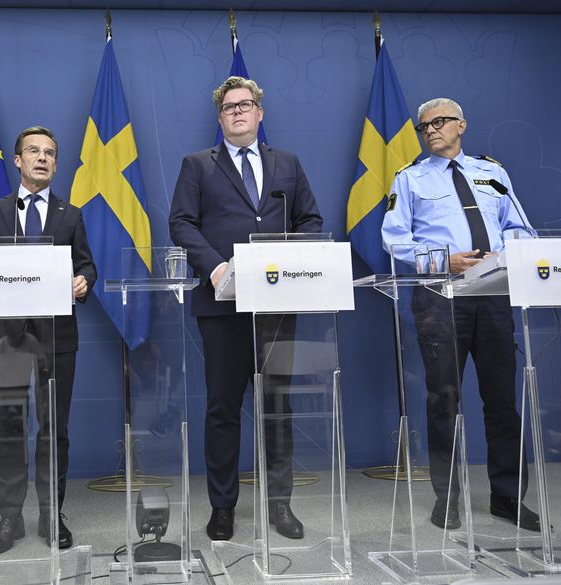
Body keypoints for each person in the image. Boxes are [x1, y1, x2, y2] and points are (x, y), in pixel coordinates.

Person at [169, 77, 322, 541]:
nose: (238, 112)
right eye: (229, 107)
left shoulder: (287, 164)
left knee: (277, 405)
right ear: (220, 120)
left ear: (260, 114)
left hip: (277, 303)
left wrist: (291, 258)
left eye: (245, 105)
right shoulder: (197, 164)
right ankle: (222, 508)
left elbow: (311, 220)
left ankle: (280, 506)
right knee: (223, 408)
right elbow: (181, 222)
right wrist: (216, 268)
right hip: (222, 302)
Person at [382, 97, 540, 531]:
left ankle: (508, 498)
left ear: (462, 125)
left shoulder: (493, 173)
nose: (431, 130)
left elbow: (521, 228)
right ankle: (446, 497)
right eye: (424, 126)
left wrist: (499, 260)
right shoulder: (410, 179)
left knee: (502, 402)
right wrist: (442, 261)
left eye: (440, 122)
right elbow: (394, 240)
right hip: (440, 296)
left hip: (493, 294)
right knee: (443, 399)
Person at [0, 126, 97, 554]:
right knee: (9, 427)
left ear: (56, 164)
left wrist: (84, 281)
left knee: (53, 430)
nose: (42, 158)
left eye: (49, 153)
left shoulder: (72, 214)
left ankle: (50, 513)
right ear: (18, 161)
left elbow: (87, 266)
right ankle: (10, 518)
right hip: (6, 339)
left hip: (57, 338)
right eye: (33, 151)